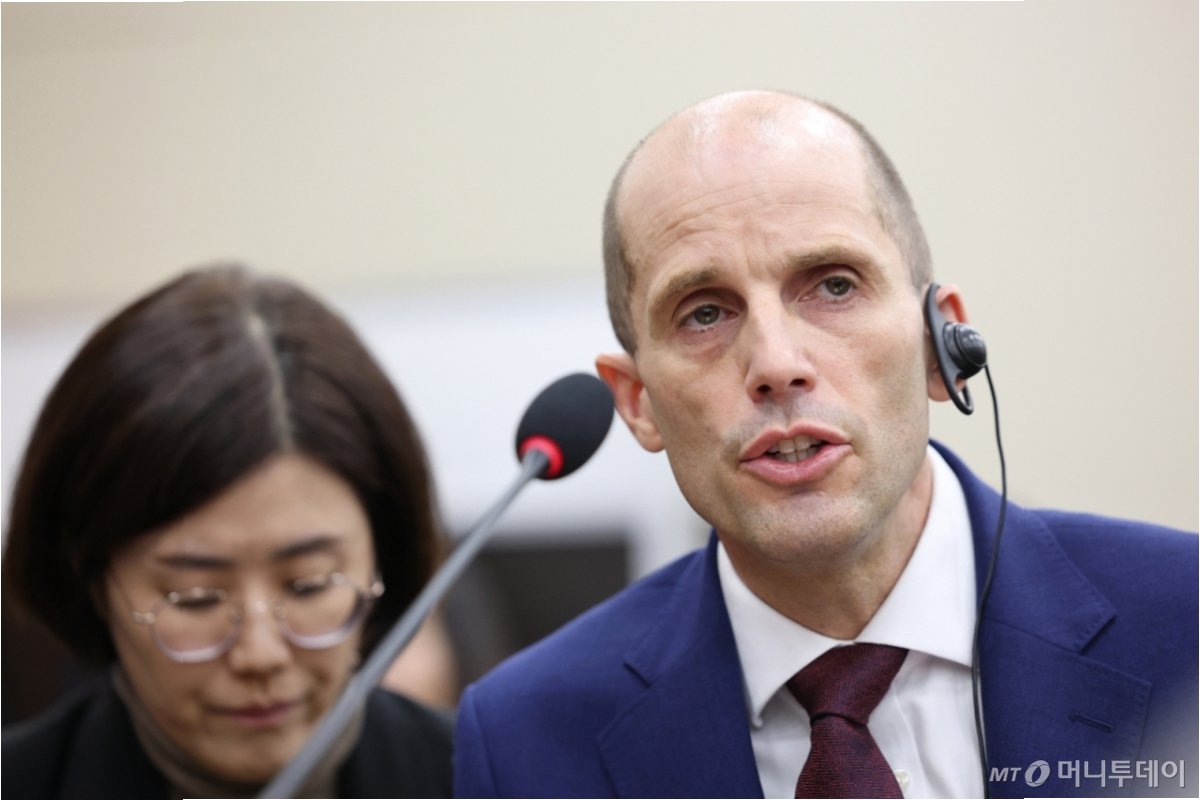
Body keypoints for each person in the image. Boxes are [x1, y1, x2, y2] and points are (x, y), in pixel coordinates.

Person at [453, 91, 1198, 798]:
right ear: (639, 403)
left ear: (941, 344)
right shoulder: (526, 741)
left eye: (834, 286)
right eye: (704, 313)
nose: (776, 364)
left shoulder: (1185, 618)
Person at [2, 265, 453, 799]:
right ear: (92, 583)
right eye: (195, 598)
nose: (260, 655)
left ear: (382, 559)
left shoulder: (485, 780)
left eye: (310, 586)